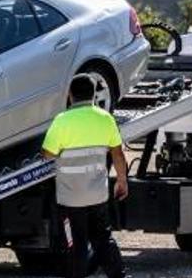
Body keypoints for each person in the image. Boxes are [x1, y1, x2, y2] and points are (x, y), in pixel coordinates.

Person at [42, 75, 130, 278]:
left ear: (70, 95)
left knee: (76, 245)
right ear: (93, 95)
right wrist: (122, 180)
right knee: (103, 238)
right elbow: (117, 153)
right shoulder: (105, 118)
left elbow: (48, 154)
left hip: (71, 199)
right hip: (97, 195)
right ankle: (119, 275)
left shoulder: (62, 120)